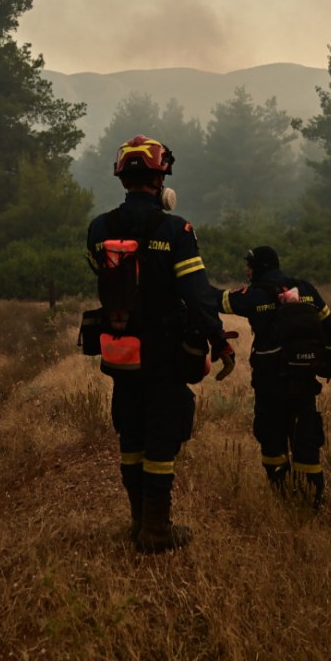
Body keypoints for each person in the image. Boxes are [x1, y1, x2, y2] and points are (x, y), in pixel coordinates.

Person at [86, 134, 235, 553]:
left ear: (122, 180)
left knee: (130, 434)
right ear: (161, 179)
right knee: (162, 437)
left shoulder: (99, 228)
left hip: (120, 350)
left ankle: (137, 523)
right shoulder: (175, 229)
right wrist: (219, 342)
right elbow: (198, 295)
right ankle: (156, 531)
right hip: (165, 352)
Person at [217, 246, 331, 509]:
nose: (246, 271)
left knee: (270, 433)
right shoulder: (306, 290)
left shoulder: (255, 295)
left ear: (260, 268)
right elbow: (330, 328)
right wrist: (330, 365)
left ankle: (282, 492)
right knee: (306, 432)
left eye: (249, 266)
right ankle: (312, 496)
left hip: (270, 381)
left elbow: (217, 300)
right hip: (304, 379)